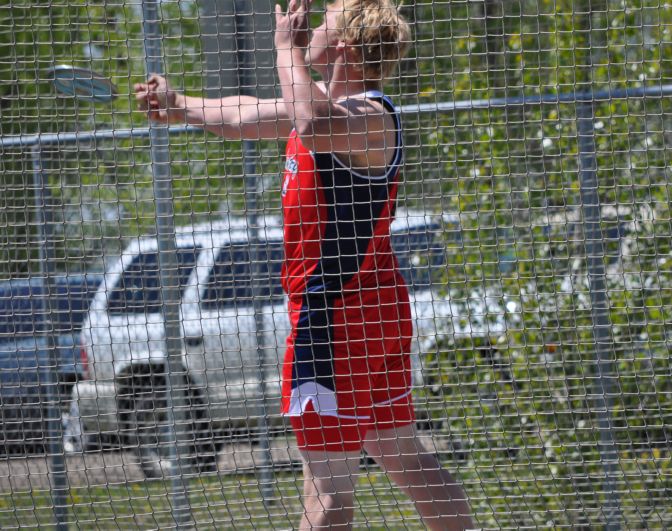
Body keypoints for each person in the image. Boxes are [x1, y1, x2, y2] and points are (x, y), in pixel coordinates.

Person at [134, 1, 474, 529]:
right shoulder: (319, 109)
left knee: (327, 493)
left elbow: (313, 124)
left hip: (335, 322)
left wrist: (283, 49)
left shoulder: (369, 116)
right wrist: (181, 105)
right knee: (411, 463)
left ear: (342, 48)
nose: (308, 29)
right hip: (370, 316)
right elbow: (246, 114)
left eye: (322, 24)